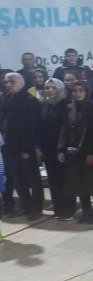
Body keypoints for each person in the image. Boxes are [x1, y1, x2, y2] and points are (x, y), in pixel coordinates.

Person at [58, 82, 93, 224]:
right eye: (75, 91)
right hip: (74, 151)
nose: (77, 93)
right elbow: (64, 129)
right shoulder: (68, 107)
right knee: (79, 183)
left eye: (80, 90)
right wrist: (61, 149)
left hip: (88, 151)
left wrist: (91, 152)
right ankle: (86, 210)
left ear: (86, 92)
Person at [0, 73, 43, 219]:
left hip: (26, 148)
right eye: (6, 82)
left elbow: (32, 127)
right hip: (9, 147)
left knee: (32, 180)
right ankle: (26, 206)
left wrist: (26, 149)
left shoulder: (30, 101)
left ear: (20, 83)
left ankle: (36, 208)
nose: (8, 85)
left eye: (11, 82)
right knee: (18, 180)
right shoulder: (7, 98)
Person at [40, 78, 74, 220]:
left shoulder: (66, 105)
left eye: (53, 88)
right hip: (48, 149)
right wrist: (40, 148)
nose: (50, 90)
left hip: (62, 149)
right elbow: (40, 127)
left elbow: (65, 129)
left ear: (60, 89)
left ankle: (69, 210)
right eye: (47, 88)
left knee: (65, 180)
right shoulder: (44, 105)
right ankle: (58, 209)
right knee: (53, 181)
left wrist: (61, 149)